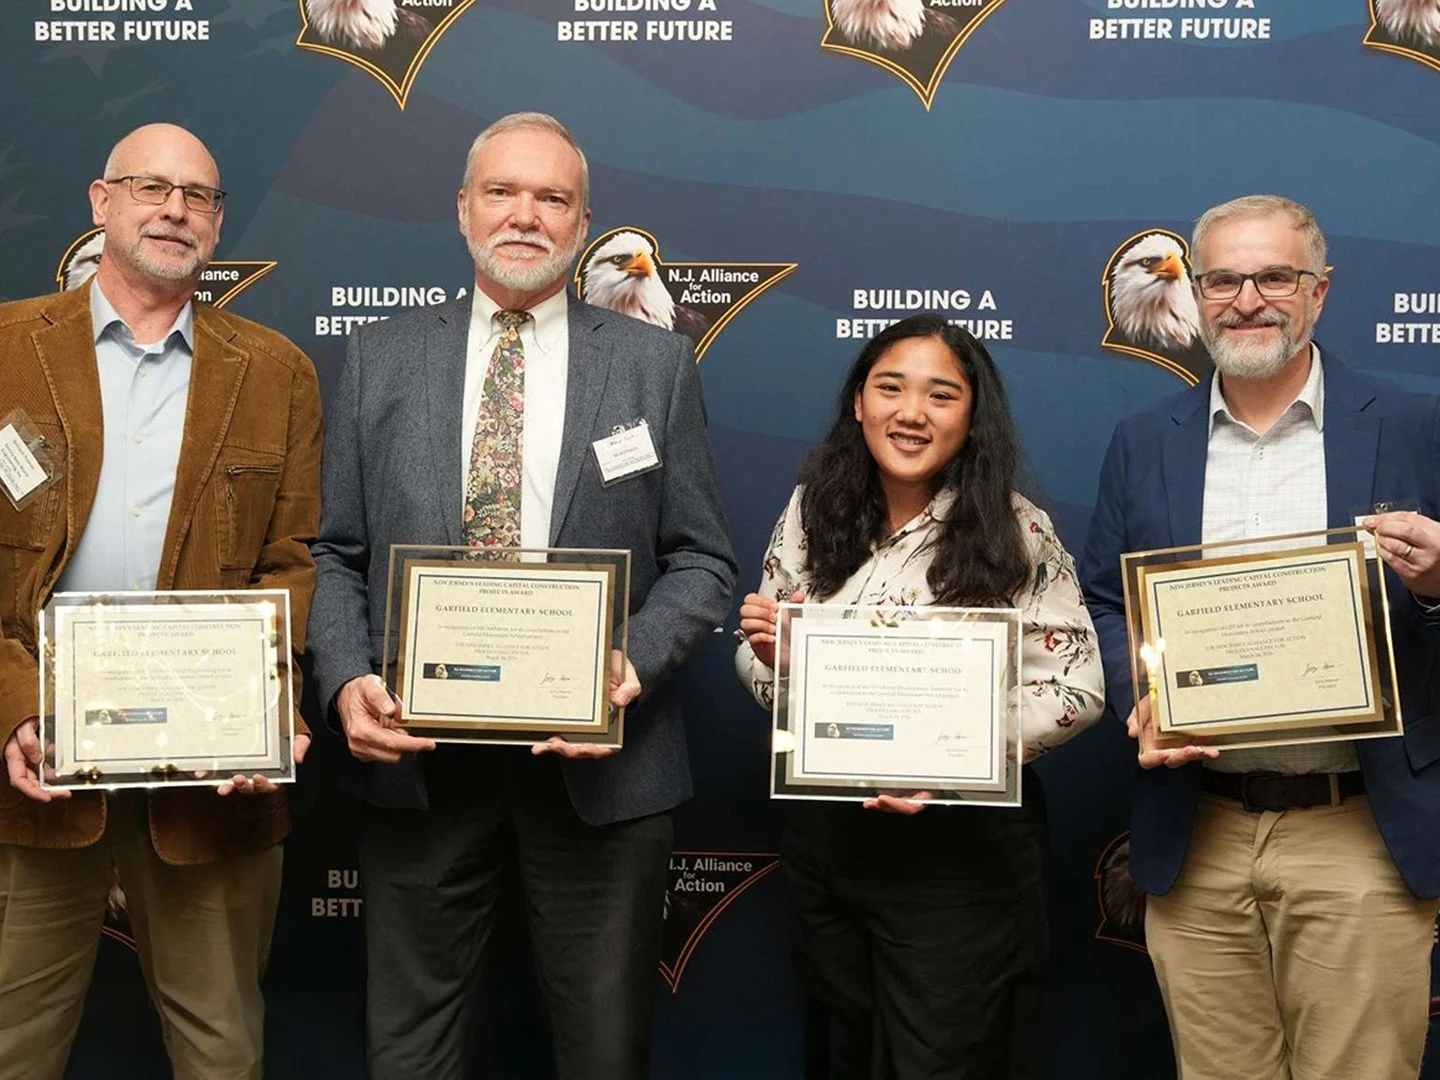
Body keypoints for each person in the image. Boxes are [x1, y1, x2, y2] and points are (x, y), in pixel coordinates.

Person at [306, 112, 737, 1080]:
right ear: (463, 209)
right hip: (420, 767)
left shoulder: (653, 365)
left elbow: (705, 559)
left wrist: (629, 659)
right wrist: (342, 683)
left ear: (584, 223)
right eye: (502, 192)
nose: (525, 216)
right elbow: (332, 553)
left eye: (552, 198)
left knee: (602, 1055)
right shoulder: (379, 358)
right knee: (408, 1055)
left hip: (600, 773)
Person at [1079, 194, 1440, 1080]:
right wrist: (1145, 699)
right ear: (1197, 296)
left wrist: (1437, 583)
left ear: (1320, 290)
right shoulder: (1142, 441)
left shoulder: (1414, 426)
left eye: (1275, 276)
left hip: (1355, 823)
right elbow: (1104, 600)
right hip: (1197, 826)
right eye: (1225, 279)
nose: (1249, 299)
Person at [0, 123, 322, 1080]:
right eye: (151, 186)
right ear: (102, 203)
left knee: (223, 1052)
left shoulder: (277, 373)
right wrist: (15, 706)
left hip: (210, 787)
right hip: (37, 769)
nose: (175, 208)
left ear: (219, 224)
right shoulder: (7, 352)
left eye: (199, 195)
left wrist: (267, 707)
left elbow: (292, 564)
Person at [735, 314, 1104, 1079]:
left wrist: (954, 758)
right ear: (859, 405)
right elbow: (757, 661)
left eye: (941, 395)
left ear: (972, 418)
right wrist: (778, 659)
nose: (911, 413)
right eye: (890, 388)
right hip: (829, 843)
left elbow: (1077, 687)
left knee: (944, 1060)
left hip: (960, 861)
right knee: (840, 1052)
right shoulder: (812, 512)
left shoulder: (1016, 528)